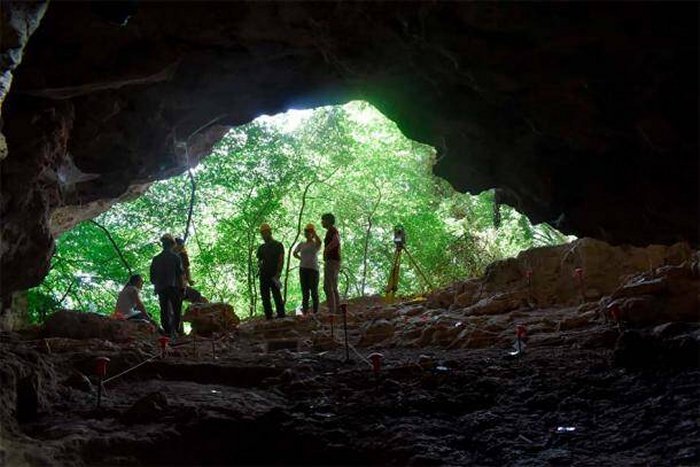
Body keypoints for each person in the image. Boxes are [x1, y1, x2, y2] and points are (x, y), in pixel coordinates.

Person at [150, 234, 184, 337]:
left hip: (161, 288)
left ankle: (168, 332)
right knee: (177, 310)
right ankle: (176, 331)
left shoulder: (156, 259)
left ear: (163, 245)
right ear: (172, 245)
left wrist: (157, 285)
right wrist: (182, 287)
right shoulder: (176, 257)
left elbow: (152, 278)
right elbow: (180, 274)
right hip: (174, 288)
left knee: (164, 310)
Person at [256, 223, 285, 320]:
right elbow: (259, 261)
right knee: (265, 296)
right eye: (262, 233)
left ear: (270, 232)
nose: (264, 235)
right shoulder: (261, 248)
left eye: (265, 233)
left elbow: (281, 260)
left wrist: (278, 273)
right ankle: (269, 316)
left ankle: (281, 315)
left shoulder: (278, 245)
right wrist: (259, 268)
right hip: (263, 275)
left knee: (276, 294)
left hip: (274, 274)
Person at [293, 223, 322, 314]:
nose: (307, 233)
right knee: (305, 293)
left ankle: (315, 312)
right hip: (303, 269)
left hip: (313, 270)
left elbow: (320, 242)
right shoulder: (301, 244)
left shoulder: (315, 244)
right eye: (306, 231)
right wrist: (301, 259)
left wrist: (315, 233)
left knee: (314, 292)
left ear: (312, 233)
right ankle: (305, 312)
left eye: (309, 232)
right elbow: (294, 253)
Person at [321, 213, 341, 314]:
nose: (322, 222)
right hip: (331, 261)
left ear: (328, 221)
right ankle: (334, 309)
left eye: (323, 220)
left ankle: (334, 310)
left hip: (332, 261)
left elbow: (336, 241)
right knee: (329, 285)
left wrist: (326, 250)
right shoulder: (330, 231)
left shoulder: (332, 230)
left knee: (330, 285)